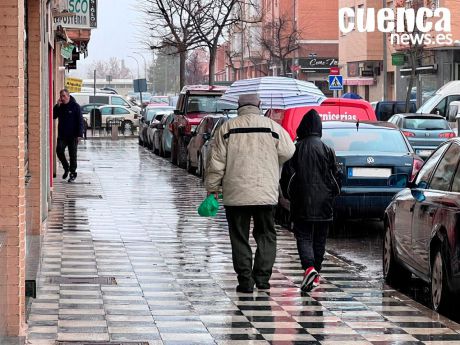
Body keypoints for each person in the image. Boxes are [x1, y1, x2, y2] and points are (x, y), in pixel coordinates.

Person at [205, 94, 295, 293]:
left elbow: (216, 163)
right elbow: (289, 150)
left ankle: (245, 281)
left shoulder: (227, 128)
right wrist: (272, 157)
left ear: (239, 107)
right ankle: (262, 279)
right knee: (266, 235)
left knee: (239, 237)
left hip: (235, 195)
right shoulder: (272, 127)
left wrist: (212, 189)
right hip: (266, 193)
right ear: (259, 105)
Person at [280, 109, 341, 293]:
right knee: (320, 240)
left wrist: (291, 196)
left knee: (304, 236)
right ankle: (316, 273)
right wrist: (331, 195)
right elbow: (336, 178)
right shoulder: (327, 150)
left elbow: (287, 178)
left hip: (302, 202)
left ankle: (309, 268)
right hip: (324, 204)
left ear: (303, 127)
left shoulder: (295, 149)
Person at [53, 89, 84, 183]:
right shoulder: (60, 106)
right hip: (62, 135)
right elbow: (53, 116)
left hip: (73, 136)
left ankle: (72, 173)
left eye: (64, 96)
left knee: (72, 155)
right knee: (59, 151)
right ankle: (66, 168)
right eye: (61, 96)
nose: (62, 98)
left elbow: (80, 121)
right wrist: (57, 106)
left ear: (68, 96)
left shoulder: (75, 106)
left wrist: (79, 135)